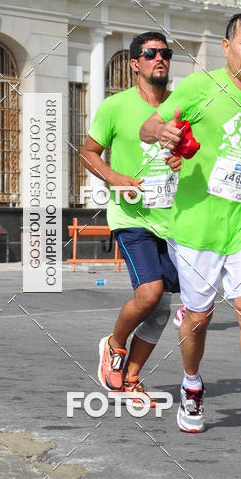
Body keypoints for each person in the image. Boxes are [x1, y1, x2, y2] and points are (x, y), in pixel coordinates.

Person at [140, 10, 241, 445]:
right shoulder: (198, 87)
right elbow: (149, 125)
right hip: (195, 226)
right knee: (199, 318)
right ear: (226, 47)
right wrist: (163, 131)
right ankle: (192, 385)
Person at [81, 32, 182, 399]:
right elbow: (89, 151)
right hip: (131, 216)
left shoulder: (180, 107)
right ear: (134, 63)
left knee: (162, 307)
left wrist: (180, 159)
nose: (160, 59)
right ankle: (114, 344)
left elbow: (191, 157)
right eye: (151, 53)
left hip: (173, 219)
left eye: (166, 53)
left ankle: (131, 377)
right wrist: (116, 178)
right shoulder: (115, 106)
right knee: (150, 293)